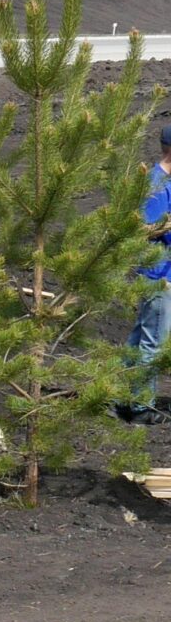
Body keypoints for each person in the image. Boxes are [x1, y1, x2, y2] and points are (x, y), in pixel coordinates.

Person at [118, 125, 171, 424]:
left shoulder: (164, 181)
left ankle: (121, 397)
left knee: (139, 338)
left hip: (159, 273)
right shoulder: (156, 186)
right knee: (153, 342)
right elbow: (149, 231)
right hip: (158, 276)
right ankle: (140, 407)